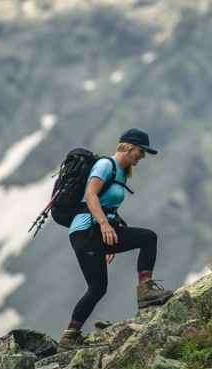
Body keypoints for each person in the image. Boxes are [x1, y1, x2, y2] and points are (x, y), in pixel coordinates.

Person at [59, 127, 173, 350]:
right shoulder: (105, 165)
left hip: (100, 230)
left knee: (148, 238)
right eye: (141, 150)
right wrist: (104, 225)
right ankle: (69, 336)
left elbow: (108, 206)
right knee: (97, 288)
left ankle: (145, 291)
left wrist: (109, 237)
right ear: (128, 146)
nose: (143, 156)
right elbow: (90, 195)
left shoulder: (121, 173)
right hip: (85, 231)